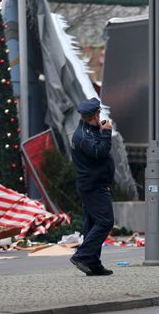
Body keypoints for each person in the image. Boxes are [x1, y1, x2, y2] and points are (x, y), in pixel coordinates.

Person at [69, 98, 115, 276]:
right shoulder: (82, 136)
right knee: (105, 222)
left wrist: (101, 130)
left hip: (95, 184)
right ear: (93, 116)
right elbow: (100, 152)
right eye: (98, 114)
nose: (100, 117)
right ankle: (82, 256)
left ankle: (93, 264)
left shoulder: (87, 131)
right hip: (93, 187)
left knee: (92, 225)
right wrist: (107, 133)